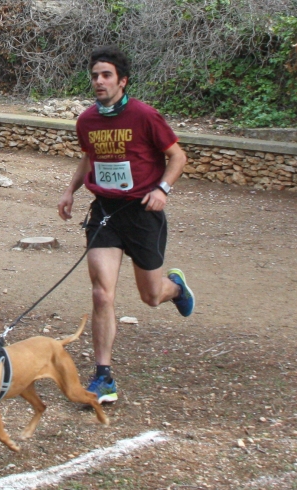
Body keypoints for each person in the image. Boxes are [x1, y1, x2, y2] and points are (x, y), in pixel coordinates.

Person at [57, 45, 195, 404]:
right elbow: (89, 157)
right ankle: (103, 376)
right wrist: (70, 191)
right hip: (105, 212)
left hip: (142, 213)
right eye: (94, 76)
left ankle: (176, 288)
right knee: (102, 293)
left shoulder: (145, 115)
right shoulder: (87, 120)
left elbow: (178, 156)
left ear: (122, 80)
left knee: (151, 296)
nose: (99, 81)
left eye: (106, 75)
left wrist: (162, 189)